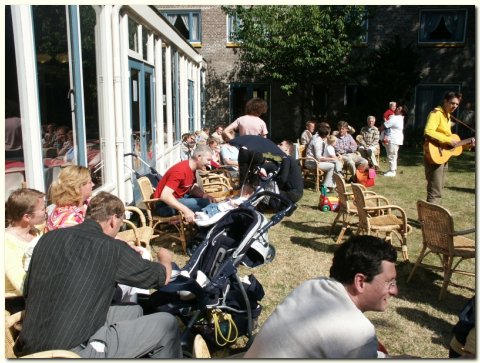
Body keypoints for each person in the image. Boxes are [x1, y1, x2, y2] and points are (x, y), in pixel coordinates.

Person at [13, 192, 182, 358]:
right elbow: (160, 277)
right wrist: (164, 257)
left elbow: (28, 291)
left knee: (134, 311)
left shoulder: (48, 239)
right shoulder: (111, 248)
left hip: (30, 344)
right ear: (113, 219)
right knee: (167, 324)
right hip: (71, 352)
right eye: (120, 223)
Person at [244, 235, 401, 358]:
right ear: (360, 281)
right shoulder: (360, 332)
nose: (395, 291)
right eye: (390, 282)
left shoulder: (312, 285)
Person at [424, 91, 475, 204]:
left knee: (439, 187)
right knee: (435, 191)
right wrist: (448, 140)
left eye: (457, 104)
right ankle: (428, 219)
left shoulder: (447, 117)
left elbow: (453, 144)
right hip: (434, 155)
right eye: (452, 103)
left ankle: (429, 216)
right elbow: (428, 131)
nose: (454, 106)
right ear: (445, 101)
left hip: (443, 156)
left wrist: (467, 145)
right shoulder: (436, 114)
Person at [5, 188, 46, 313]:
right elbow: (22, 284)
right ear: (27, 217)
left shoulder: (36, 232)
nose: (46, 211)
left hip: (41, 292)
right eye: (43, 209)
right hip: (18, 301)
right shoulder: (6, 244)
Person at [153, 145, 216, 223]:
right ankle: (207, 229)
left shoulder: (192, 169)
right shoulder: (180, 171)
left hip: (177, 199)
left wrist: (205, 195)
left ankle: (203, 225)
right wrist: (186, 210)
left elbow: (192, 187)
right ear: (199, 157)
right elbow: (165, 196)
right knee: (205, 203)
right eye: (208, 160)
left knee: (207, 201)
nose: (209, 163)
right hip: (164, 206)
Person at [46, 165, 94, 231]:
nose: (93, 185)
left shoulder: (84, 203)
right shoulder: (68, 221)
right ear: (78, 187)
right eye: (90, 182)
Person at [305, 125, 337, 191]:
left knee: (334, 164)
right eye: (328, 133)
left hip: (315, 161)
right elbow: (318, 158)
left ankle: (331, 185)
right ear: (325, 134)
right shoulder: (317, 142)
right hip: (311, 162)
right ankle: (325, 187)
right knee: (332, 166)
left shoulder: (319, 139)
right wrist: (331, 159)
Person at [382, 106, 406, 177]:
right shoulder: (399, 118)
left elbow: (385, 125)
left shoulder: (396, 118)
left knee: (391, 155)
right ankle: (391, 170)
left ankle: (392, 171)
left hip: (393, 139)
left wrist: (378, 129)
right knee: (393, 155)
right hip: (396, 139)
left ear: (401, 112)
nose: (396, 109)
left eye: (398, 109)